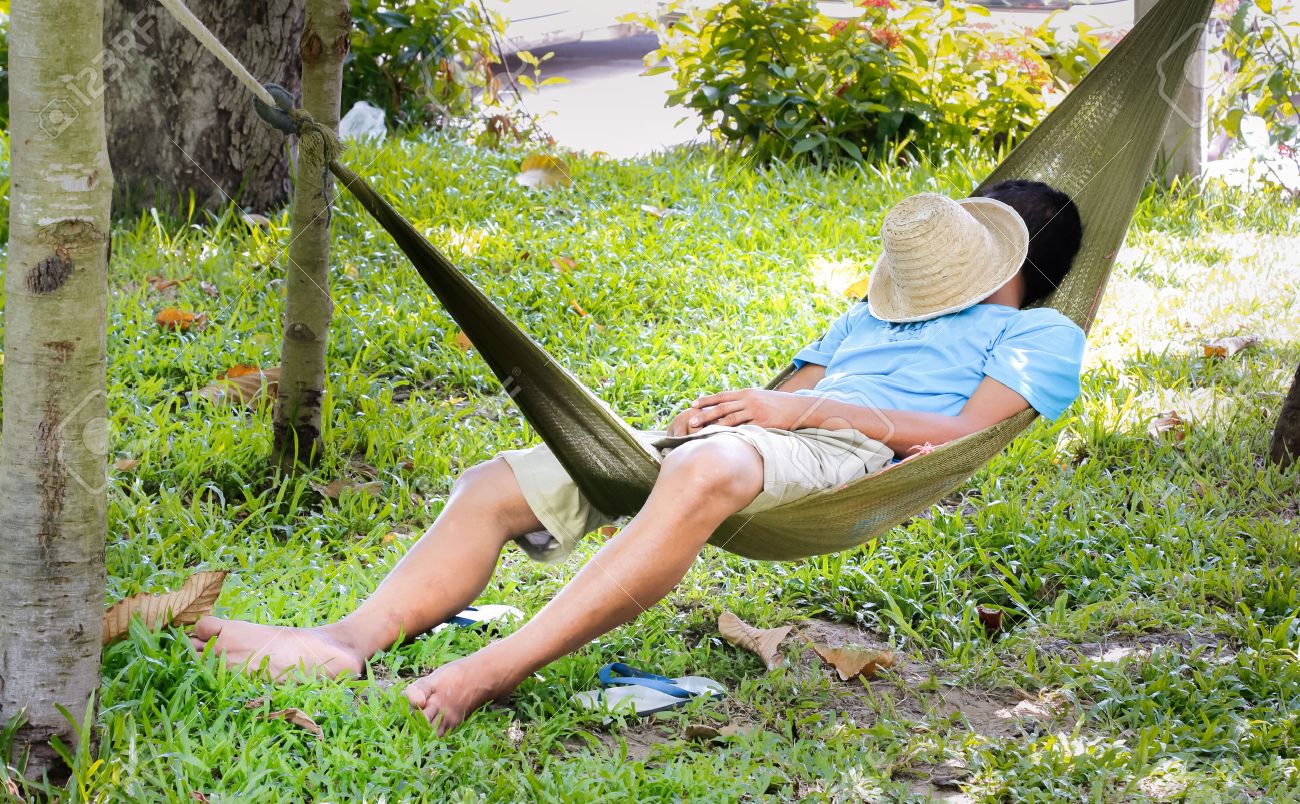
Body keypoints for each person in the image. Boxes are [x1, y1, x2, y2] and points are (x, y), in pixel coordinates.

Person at [190, 181, 1087, 734]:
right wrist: (729, 412)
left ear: (1017, 263)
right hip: (769, 437)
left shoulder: (1038, 329)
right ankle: (346, 643)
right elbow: (782, 390)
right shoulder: (875, 311)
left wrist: (792, 410)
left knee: (710, 471)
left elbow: (964, 433)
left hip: (856, 451)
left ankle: (495, 668)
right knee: (493, 484)